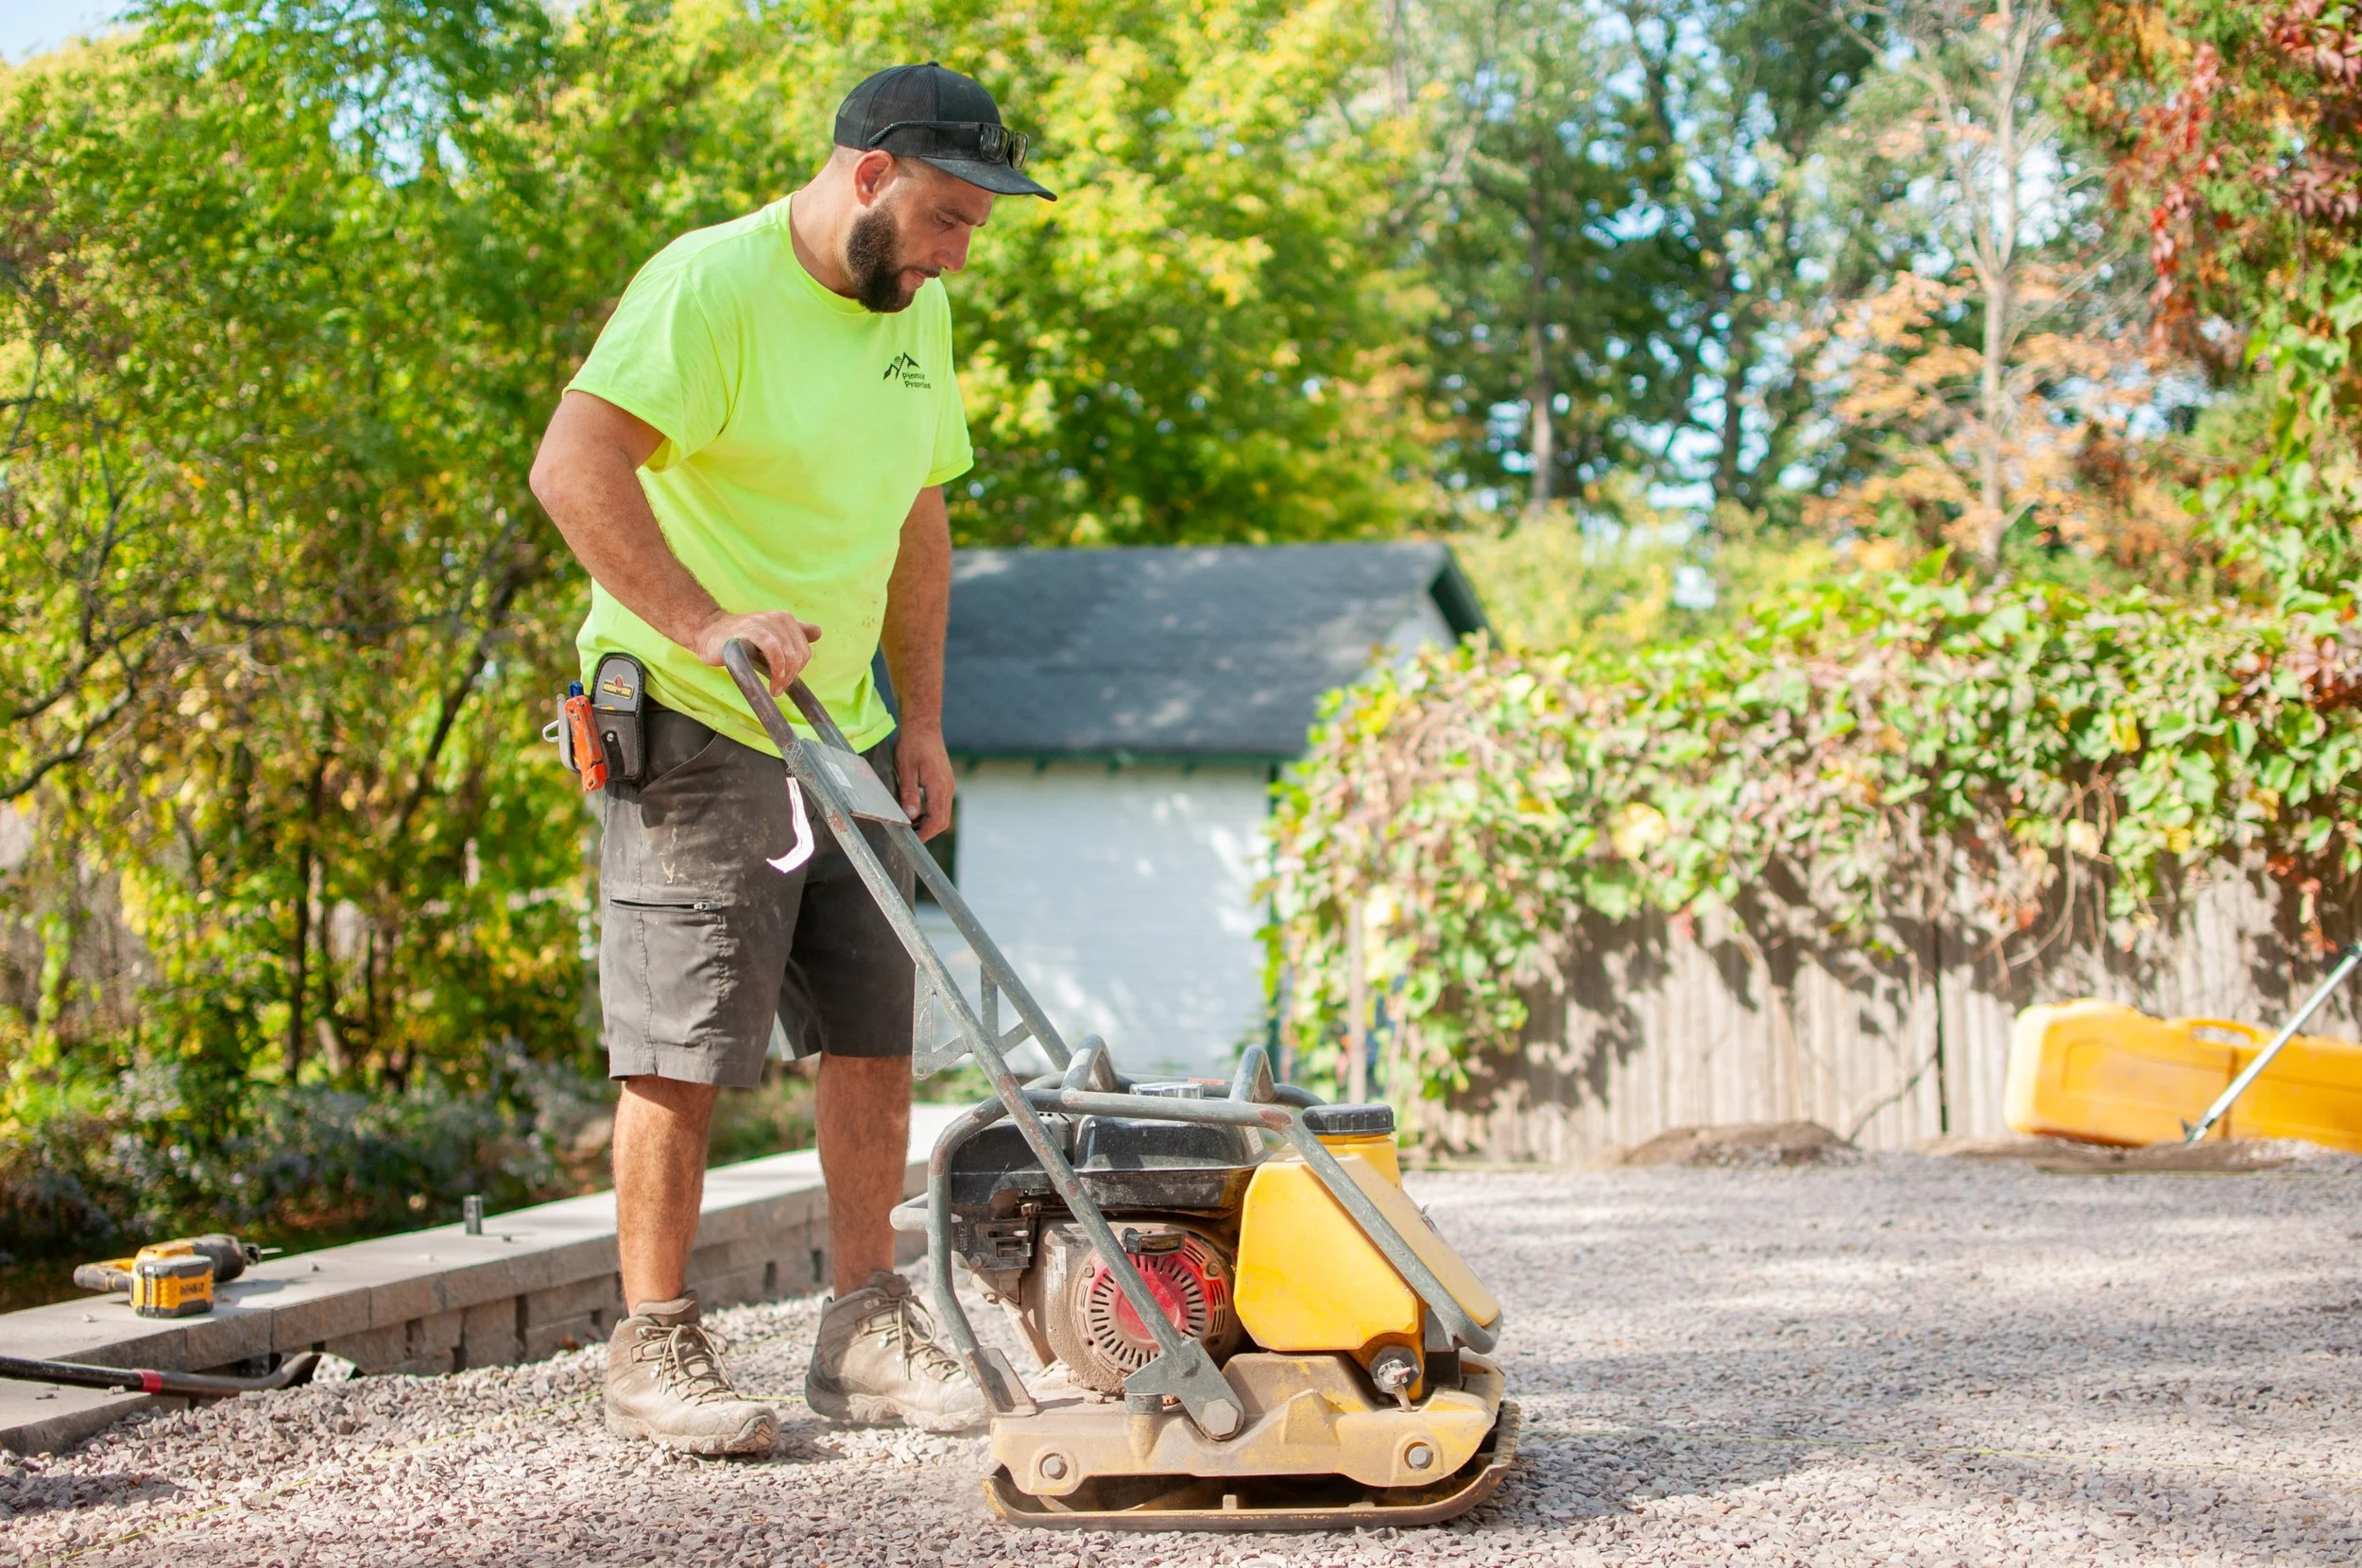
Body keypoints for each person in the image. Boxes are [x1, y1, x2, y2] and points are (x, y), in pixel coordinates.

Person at [526, 62, 1054, 1456]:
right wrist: (706, 619)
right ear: (868, 175)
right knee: (682, 1040)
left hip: (850, 732)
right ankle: (654, 1348)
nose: (956, 254)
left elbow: (918, 519)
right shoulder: (709, 287)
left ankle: (862, 1328)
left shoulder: (915, 312)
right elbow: (570, 467)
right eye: (946, 219)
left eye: (973, 233)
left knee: (874, 1032)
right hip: (701, 713)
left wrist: (923, 720)